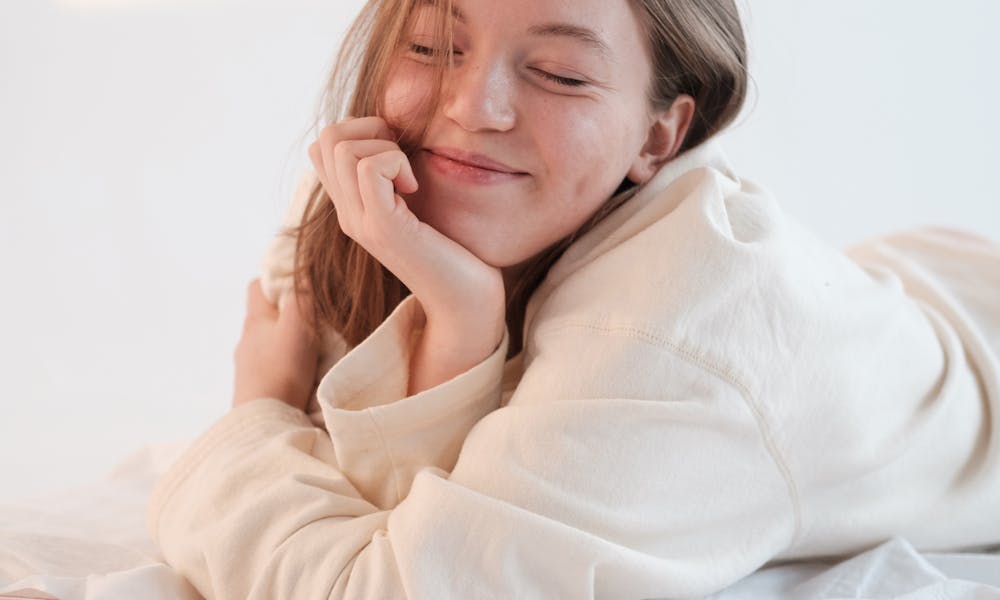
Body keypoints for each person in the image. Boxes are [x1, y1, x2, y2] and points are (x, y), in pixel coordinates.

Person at [146, 0, 1000, 597]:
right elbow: (389, 513)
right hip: (898, 289)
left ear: (659, 134)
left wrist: (254, 412)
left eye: (559, 73)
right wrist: (458, 323)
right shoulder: (373, 187)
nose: (471, 107)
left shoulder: (674, 347)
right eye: (431, 45)